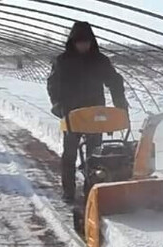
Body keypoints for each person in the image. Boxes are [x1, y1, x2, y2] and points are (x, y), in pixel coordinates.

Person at [47, 21, 128, 203]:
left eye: (86, 42)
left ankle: (91, 188)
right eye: (79, 42)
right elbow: (53, 85)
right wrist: (57, 105)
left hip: (95, 113)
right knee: (70, 153)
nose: (83, 45)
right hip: (71, 113)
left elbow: (114, 81)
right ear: (73, 42)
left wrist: (120, 102)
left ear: (92, 41)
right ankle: (68, 191)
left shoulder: (100, 61)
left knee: (94, 153)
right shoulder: (62, 61)